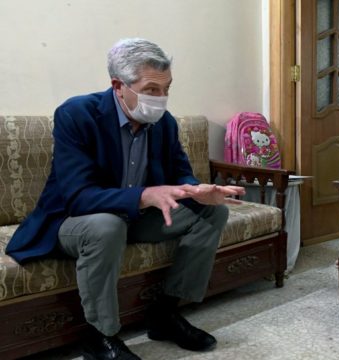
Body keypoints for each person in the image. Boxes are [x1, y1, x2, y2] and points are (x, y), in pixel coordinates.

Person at [5, 38, 245, 360]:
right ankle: (100, 336)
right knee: (106, 226)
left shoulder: (164, 123)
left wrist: (197, 190)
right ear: (119, 85)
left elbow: (180, 173)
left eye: (167, 89)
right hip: (72, 221)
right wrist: (145, 194)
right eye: (151, 90)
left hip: (133, 218)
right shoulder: (77, 114)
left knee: (211, 213)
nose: (161, 99)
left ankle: (165, 314)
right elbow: (78, 196)